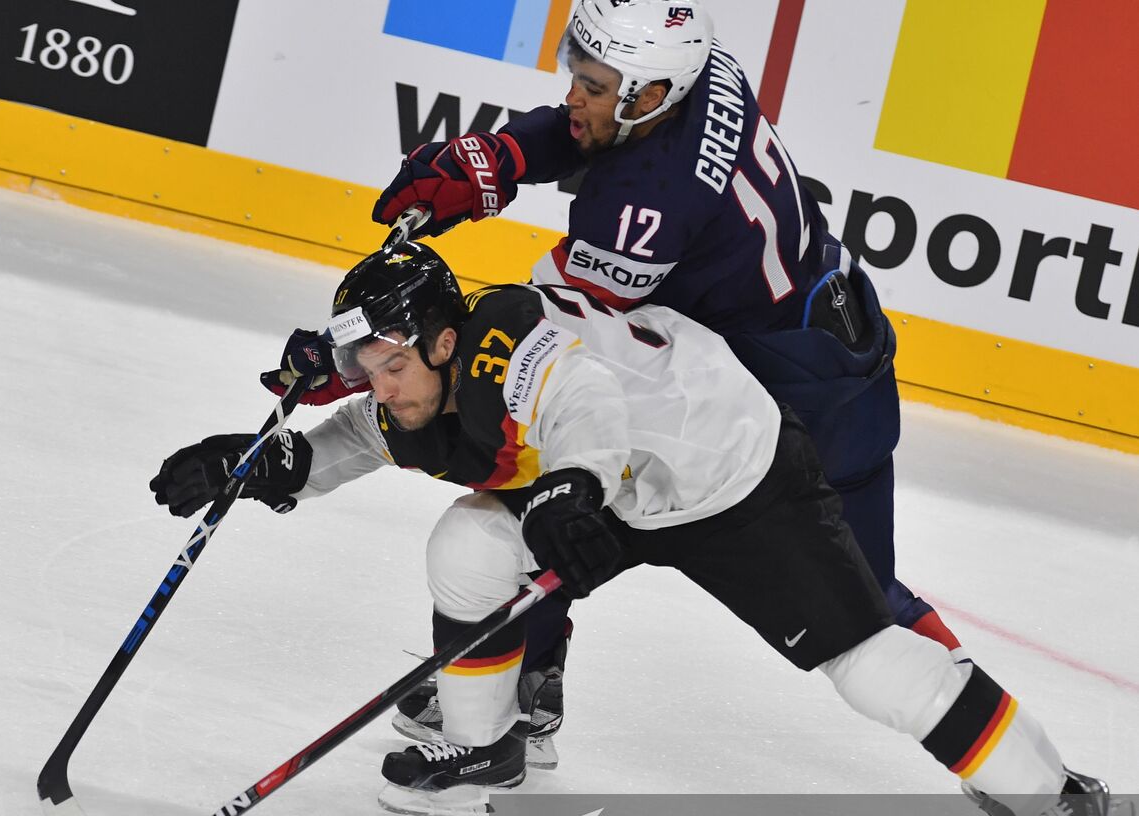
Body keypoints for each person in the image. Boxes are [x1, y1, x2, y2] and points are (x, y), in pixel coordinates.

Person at [150, 241, 1119, 816]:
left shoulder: (503, 347)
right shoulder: (419, 389)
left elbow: (584, 400)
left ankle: (1060, 798)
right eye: (367, 363)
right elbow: (354, 439)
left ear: (444, 344)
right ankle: (486, 749)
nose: (377, 382)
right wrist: (255, 467)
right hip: (615, 484)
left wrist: (572, 490)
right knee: (469, 546)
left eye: (388, 362)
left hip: (723, 465)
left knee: (872, 669)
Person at [370, 1, 962, 764]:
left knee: (544, 479)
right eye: (576, 72)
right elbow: (592, 127)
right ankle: (527, 677)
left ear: (649, 94)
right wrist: (502, 160)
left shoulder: (641, 207)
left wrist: (386, 347)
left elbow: (539, 336)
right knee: (866, 600)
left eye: (593, 82)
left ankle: (521, 682)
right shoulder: (697, 67)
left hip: (784, 399)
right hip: (837, 343)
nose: (572, 94)